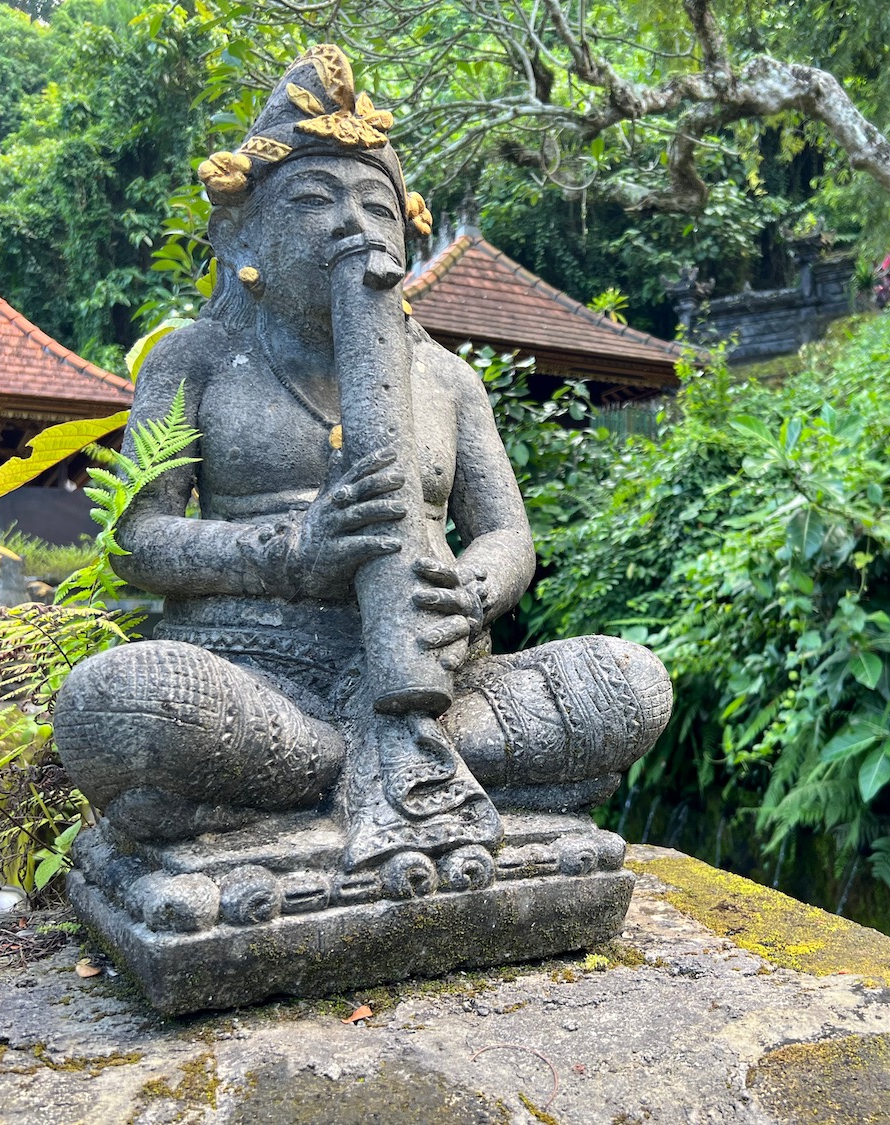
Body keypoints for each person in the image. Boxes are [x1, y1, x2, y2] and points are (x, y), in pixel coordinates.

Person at [53, 45, 671, 875]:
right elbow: (137, 539)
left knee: (630, 681)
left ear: (405, 239)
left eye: (376, 206)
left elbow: (508, 537)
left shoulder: (446, 378)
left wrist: (475, 590)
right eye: (315, 200)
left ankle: (354, 767)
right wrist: (289, 553)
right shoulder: (196, 359)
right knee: (116, 700)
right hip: (263, 677)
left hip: (445, 684)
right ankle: (350, 765)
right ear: (243, 233)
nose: (354, 227)